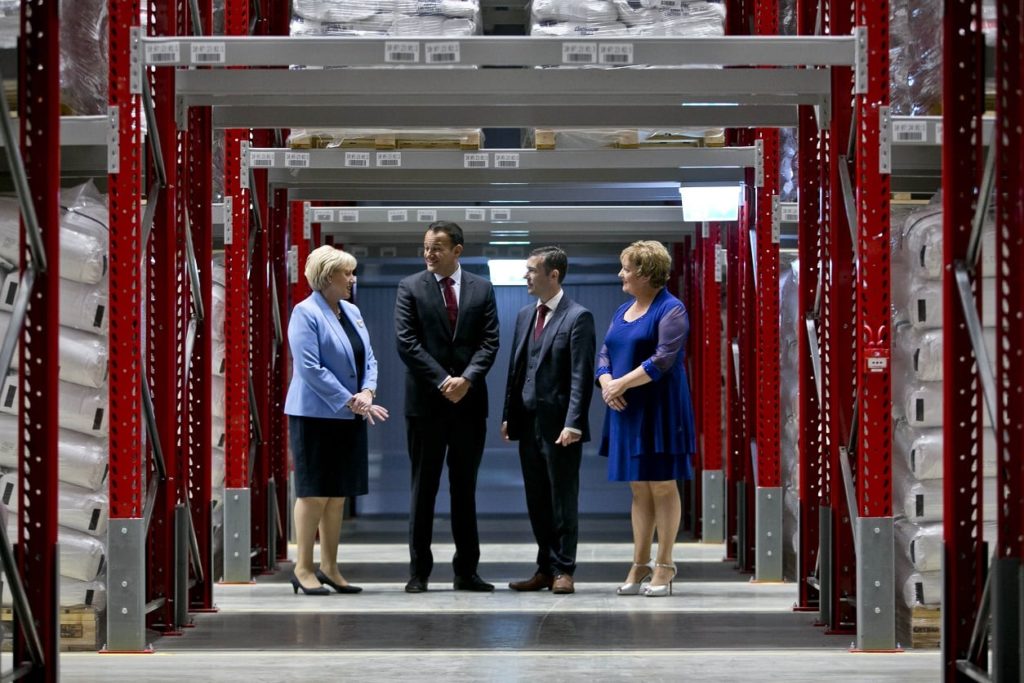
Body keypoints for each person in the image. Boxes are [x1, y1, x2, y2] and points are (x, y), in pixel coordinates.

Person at [395, 221, 500, 593]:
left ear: (458, 250)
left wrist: (467, 380)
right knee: (423, 489)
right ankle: (419, 572)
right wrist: (444, 381)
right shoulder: (410, 288)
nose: (429, 253)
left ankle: (466, 571)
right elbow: (407, 343)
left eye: (437, 247)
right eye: (425, 246)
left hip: (469, 406)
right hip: (425, 405)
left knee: (464, 489)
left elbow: (490, 342)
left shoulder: (482, 289)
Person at [284, 245, 389, 596]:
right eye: (348, 273)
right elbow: (309, 368)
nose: (353, 279)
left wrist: (368, 393)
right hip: (315, 413)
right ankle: (303, 568)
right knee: (314, 492)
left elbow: (369, 358)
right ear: (328, 277)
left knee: (338, 494)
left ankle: (329, 567)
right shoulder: (305, 312)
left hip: (351, 412)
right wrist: (350, 400)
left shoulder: (352, 312)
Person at [596, 240, 696, 598]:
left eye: (627, 268)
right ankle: (639, 562)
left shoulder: (672, 309)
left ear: (646, 272)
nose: (621, 274)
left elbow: (663, 358)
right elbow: (606, 351)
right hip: (626, 408)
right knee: (638, 488)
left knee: (662, 485)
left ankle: (665, 564)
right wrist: (608, 384)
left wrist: (620, 383)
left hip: (660, 408)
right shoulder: (624, 310)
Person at [502, 246, 595, 595]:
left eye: (531, 270)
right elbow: (517, 369)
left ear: (552, 275)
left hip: (561, 428)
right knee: (536, 499)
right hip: (527, 423)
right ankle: (544, 567)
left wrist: (574, 422)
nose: (525, 276)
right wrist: (509, 415)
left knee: (562, 500)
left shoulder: (578, 317)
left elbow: (580, 376)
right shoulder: (526, 315)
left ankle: (563, 569)